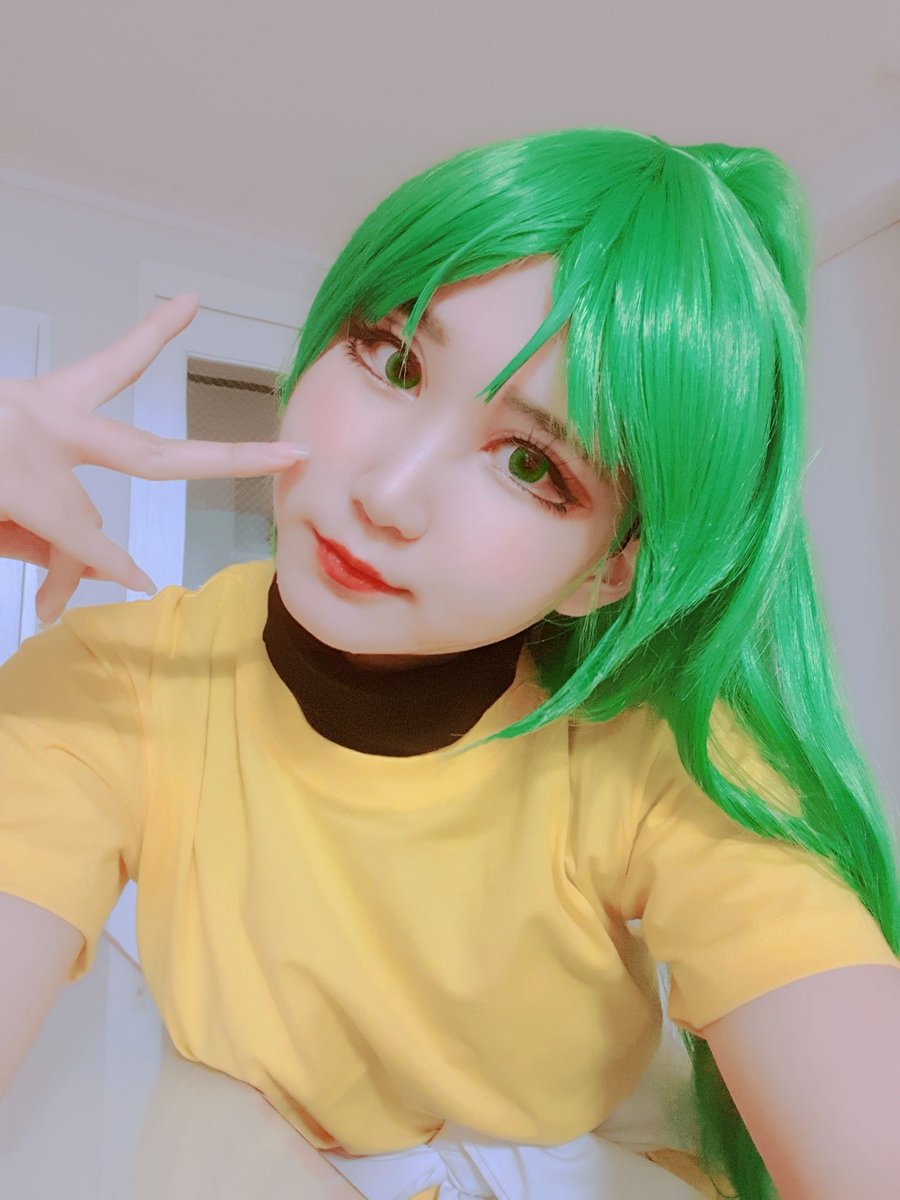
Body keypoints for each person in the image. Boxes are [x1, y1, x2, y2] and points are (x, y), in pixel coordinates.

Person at [0, 127, 897, 1200]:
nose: (388, 493)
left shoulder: (663, 759)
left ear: (606, 568)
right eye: (395, 361)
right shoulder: (108, 689)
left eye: (530, 463)